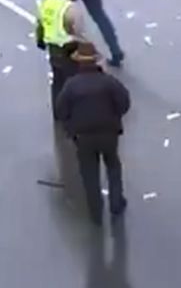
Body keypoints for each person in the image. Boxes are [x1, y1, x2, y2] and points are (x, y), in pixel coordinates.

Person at [55, 42, 132, 225]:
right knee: (113, 165)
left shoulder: (71, 85)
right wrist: (114, 116)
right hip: (109, 132)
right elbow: (124, 102)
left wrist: (70, 125)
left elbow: (61, 109)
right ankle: (116, 202)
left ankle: (95, 209)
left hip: (83, 136)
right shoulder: (109, 82)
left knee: (89, 171)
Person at [36, 0, 88, 111]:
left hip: (53, 49)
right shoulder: (70, 8)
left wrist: (40, 40)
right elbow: (78, 31)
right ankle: (72, 112)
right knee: (72, 83)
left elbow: (40, 24)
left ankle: (57, 111)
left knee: (57, 82)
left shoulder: (47, 3)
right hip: (69, 49)